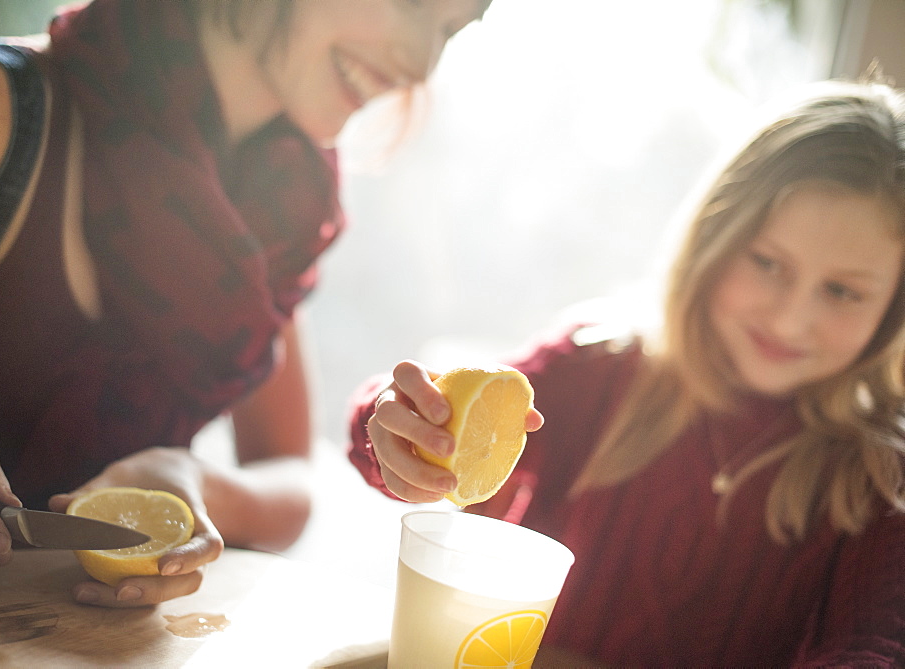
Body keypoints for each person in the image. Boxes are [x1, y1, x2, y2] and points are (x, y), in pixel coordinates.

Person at [0, 0, 492, 608]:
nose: (421, 63)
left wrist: (194, 482)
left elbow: (287, 477)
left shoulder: (282, 204)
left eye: (451, 29)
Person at [349, 78, 905, 666]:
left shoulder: (881, 482)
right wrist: (403, 429)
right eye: (767, 263)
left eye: (842, 292)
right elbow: (415, 432)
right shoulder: (597, 369)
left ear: (893, 311)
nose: (792, 320)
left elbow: (875, 646)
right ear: (713, 237)